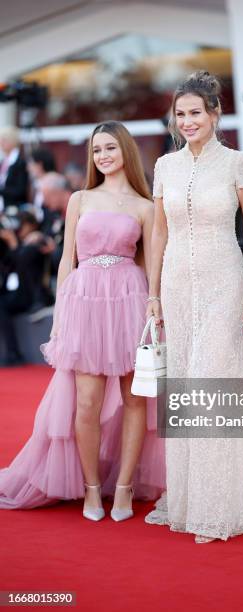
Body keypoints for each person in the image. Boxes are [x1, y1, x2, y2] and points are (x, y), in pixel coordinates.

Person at [0, 121, 165, 519]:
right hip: (85, 300)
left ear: (125, 150)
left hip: (129, 298)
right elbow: (65, 261)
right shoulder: (80, 199)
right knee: (86, 402)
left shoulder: (146, 206)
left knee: (133, 400)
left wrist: (154, 303)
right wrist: (60, 315)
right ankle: (92, 489)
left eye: (110, 148)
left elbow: (152, 263)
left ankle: (123, 488)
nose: (103, 156)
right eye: (96, 150)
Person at [145, 71, 243, 543]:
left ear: (215, 114)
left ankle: (223, 504)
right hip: (177, 284)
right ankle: (189, 499)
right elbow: (158, 233)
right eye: (180, 114)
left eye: (195, 113)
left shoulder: (238, 163)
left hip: (226, 281)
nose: (187, 121)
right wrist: (153, 293)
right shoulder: (164, 166)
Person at [0, 211, 50, 366]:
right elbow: (8, 262)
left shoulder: (38, 241)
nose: (18, 228)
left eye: (22, 224)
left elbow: (21, 261)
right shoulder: (22, 244)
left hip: (34, 296)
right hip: (20, 293)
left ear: (32, 224)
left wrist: (13, 242)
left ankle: (14, 354)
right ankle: (12, 353)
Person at [0, 127, 29, 212]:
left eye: (3, 140)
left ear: (12, 141)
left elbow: (20, 190)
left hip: (14, 209)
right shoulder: (3, 162)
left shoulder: (20, 162)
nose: (1, 143)